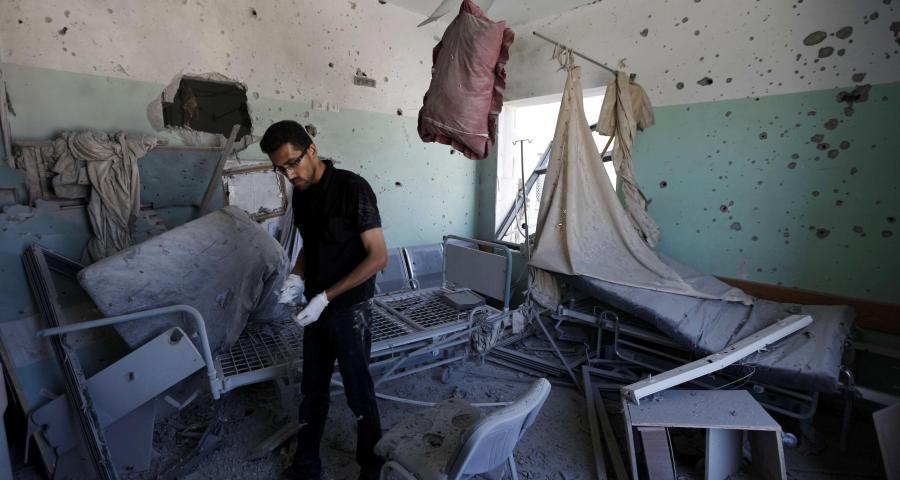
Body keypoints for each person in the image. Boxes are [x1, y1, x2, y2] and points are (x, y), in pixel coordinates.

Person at [261, 120, 388, 480]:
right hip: (316, 305)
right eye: (281, 169)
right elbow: (311, 244)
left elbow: (378, 257)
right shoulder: (301, 194)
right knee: (312, 390)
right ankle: (306, 464)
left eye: (293, 163)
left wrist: (326, 297)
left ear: (312, 150)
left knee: (358, 392)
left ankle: (371, 467)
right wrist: (297, 276)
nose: (289, 174)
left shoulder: (352, 189)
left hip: (350, 309)